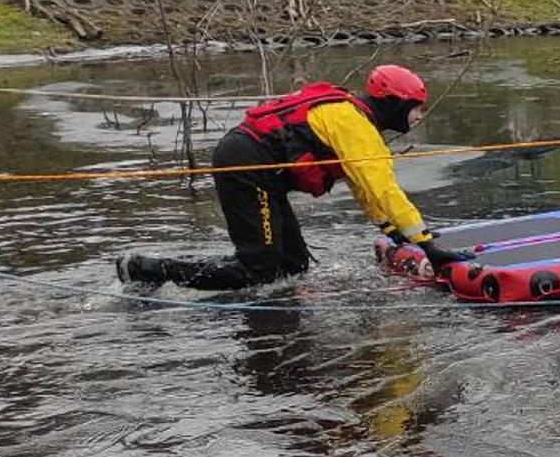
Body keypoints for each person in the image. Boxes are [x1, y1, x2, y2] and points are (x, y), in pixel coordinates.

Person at [116, 65, 474, 290]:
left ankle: (268, 307)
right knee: (259, 271)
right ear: (396, 105)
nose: (419, 117)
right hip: (248, 166)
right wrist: (427, 244)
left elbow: (365, 189)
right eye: (416, 108)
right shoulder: (356, 126)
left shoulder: (352, 118)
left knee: (293, 266)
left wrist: (392, 231)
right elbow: (384, 187)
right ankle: (150, 271)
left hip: (259, 169)